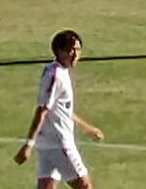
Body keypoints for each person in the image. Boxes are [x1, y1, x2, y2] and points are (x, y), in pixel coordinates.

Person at [14, 30, 104, 189]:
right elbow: (42, 110)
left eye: (78, 50)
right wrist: (28, 144)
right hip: (59, 143)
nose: (75, 54)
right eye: (70, 50)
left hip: (47, 144)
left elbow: (62, 109)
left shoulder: (58, 71)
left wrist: (86, 128)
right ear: (59, 51)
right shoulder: (55, 76)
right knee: (84, 186)